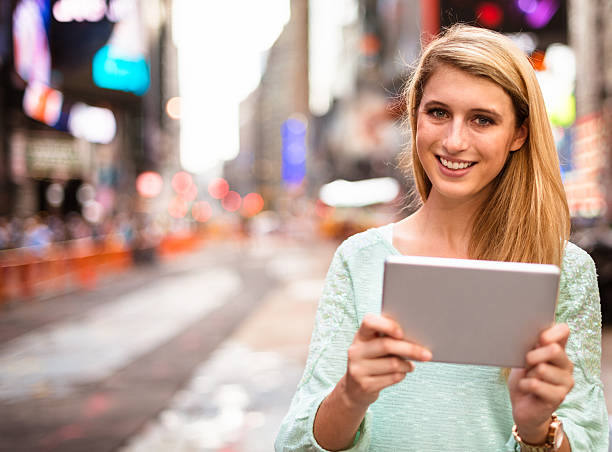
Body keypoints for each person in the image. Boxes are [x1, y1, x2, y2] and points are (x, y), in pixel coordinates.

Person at [275, 24, 609, 451]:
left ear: (519, 134)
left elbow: (590, 441)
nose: (454, 141)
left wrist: (536, 429)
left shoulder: (564, 270)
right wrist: (350, 395)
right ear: (415, 117)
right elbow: (296, 443)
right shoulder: (359, 259)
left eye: (482, 120)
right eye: (438, 112)